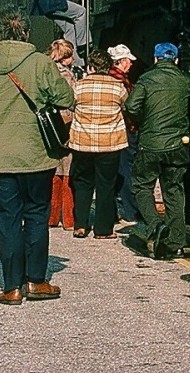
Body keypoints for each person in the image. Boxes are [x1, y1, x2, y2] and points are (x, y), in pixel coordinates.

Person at [0, 6, 74, 305]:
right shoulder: (40, 63)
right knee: (36, 216)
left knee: (7, 222)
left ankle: (12, 287)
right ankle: (36, 281)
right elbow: (66, 97)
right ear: (25, 32)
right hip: (36, 155)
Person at [125, 42, 190, 259]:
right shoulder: (184, 80)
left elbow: (131, 106)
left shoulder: (146, 79)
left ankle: (154, 225)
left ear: (155, 59)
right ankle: (177, 244)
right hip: (177, 145)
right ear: (176, 60)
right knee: (174, 191)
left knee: (141, 185)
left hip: (151, 144)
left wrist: (145, 123)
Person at [68, 48, 128, 239]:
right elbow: (127, 107)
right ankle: (103, 229)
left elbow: (70, 105)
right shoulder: (118, 87)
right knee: (106, 185)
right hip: (110, 143)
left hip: (83, 142)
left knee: (83, 183)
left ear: (91, 66)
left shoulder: (79, 86)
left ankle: (80, 225)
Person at [108, 44, 139, 225]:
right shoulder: (120, 81)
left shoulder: (117, 78)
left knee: (120, 170)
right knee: (126, 169)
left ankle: (121, 208)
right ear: (121, 61)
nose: (131, 64)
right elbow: (129, 107)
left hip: (118, 129)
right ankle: (129, 211)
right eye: (129, 61)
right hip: (125, 129)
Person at [47, 39, 76, 230]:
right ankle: (68, 218)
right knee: (67, 171)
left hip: (50, 125)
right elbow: (72, 98)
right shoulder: (66, 75)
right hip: (66, 123)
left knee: (53, 170)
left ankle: (51, 216)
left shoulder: (47, 71)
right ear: (65, 57)